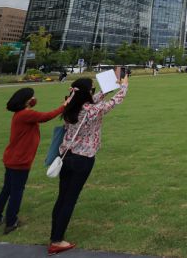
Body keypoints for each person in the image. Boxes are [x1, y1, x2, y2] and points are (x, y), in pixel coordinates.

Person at [48, 70, 129, 255]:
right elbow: (114, 102)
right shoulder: (91, 111)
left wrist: (108, 87)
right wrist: (124, 87)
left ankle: (55, 236)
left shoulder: (70, 106)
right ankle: (57, 241)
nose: (94, 92)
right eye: (92, 89)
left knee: (62, 197)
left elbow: (94, 99)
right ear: (87, 93)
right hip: (83, 159)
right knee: (70, 200)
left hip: (66, 156)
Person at [0, 87, 70, 234]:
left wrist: (31, 103)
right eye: (32, 97)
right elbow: (46, 116)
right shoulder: (26, 114)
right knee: (16, 191)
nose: (34, 98)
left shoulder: (21, 113)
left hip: (12, 158)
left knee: (7, 190)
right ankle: (11, 222)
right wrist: (64, 106)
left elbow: (34, 112)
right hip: (20, 160)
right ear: (26, 100)